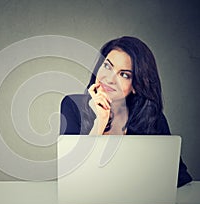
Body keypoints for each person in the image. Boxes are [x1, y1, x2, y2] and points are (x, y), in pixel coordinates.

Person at [60, 36, 192, 187]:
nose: (110, 79)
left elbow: (180, 178)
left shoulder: (151, 117)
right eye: (107, 66)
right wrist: (100, 122)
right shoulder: (72, 105)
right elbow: (71, 177)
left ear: (135, 85)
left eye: (124, 75)